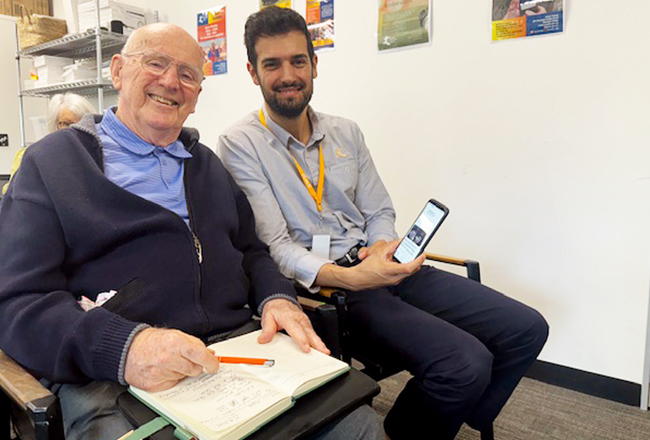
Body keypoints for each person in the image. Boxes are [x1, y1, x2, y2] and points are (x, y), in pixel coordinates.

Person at [0, 23, 382, 440]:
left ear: (197, 96)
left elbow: (252, 250)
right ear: (117, 71)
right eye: (155, 63)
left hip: (235, 352)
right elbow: (16, 302)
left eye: (187, 74)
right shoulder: (51, 165)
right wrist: (125, 348)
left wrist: (277, 298)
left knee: (360, 426)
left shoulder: (208, 166)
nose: (170, 81)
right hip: (112, 375)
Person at [218, 7, 549, 440]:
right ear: (252, 72)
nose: (288, 75)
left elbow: (378, 211)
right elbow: (274, 246)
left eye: (298, 60)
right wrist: (351, 277)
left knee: (526, 328)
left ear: (315, 64)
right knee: (466, 362)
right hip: (330, 291)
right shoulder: (240, 143)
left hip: (382, 265)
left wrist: (380, 248)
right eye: (272, 64)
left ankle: (452, 411)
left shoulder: (345, 132)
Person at [2, 92, 96, 195]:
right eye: (66, 123)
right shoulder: (31, 156)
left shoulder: (96, 155)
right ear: (55, 124)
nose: (75, 129)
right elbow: (14, 198)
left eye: (81, 123)